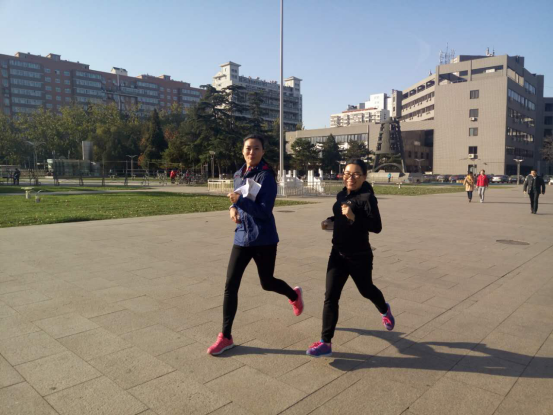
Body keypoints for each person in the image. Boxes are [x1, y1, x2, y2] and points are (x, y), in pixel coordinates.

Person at [207, 134, 304, 356]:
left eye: (256, 148)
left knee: (267, 282)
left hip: (264, 238)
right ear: (243, 150)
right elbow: (237, 200)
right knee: (231, 285)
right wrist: (232, 209)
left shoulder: (266, 177)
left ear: (263, 152)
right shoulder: (238, 174)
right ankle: (226, 336)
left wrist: (239, 202)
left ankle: (293, 295)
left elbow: (263, 212)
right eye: (248, 148)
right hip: (242, 237)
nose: (252, 152)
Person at [306, 159, 394, 358]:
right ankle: (325, 342)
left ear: (364, 176)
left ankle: (384, 309)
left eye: (355, 174)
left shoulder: (367, 198)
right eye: (346, 173)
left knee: (366, 290)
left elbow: (376, 226)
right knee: (331, 296)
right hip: (337, 254)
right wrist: (330, 220)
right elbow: (341, 216)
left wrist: (354, 217)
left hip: (359, 256)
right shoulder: (341, 195)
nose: (350, 177)